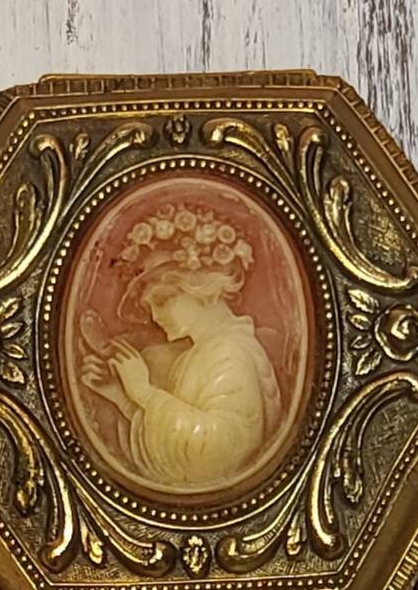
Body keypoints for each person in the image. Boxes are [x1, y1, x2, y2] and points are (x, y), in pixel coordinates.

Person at [80, 203, 282, 491]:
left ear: (202, 285)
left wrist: (145, 393)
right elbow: (178, 442)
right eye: (150, 307)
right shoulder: (203, 353)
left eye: (163, 300)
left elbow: (215, 456)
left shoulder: (228, 352)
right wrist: (122, 398)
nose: (155, 316)